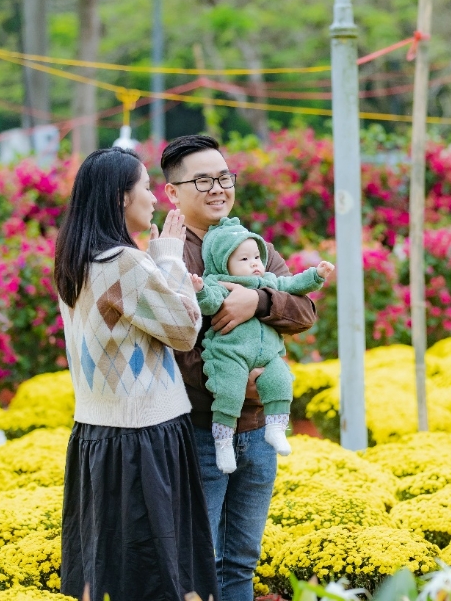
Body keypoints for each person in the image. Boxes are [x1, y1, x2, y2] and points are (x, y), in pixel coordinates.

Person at [54, 147, 219, 601]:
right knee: (161, 574)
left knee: (105, 569)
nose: (152, 198)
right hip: (145, 434)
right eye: (145, 186)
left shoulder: (74, 263)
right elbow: (184, 331)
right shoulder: (125, 263)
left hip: (94, 436)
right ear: (121, 198)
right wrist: (169, 258)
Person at [161, 134, 318, 601]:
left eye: (223, 177)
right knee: (200, 562)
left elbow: (304, 311)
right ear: (172, 192)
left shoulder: (253, 246)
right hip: (198, 430)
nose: (217, 189)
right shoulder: (167, 254)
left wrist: (259, 299)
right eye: (202, 180)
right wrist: (229, 381)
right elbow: (169, 341)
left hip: (258, 431)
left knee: (242, 561)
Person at [193, 215, 334, 472]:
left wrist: (316, 275)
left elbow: (293, 285)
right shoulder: (220, 281)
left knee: (281, 379)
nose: (255, 264)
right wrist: (201, 289)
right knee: (230, 390)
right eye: (244, 260)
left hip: (267, 356)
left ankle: (276, 427)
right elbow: (210, 303)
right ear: (224, 264)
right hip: (230, 353)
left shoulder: (268, 280)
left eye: (256, 257)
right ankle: (223, 441)